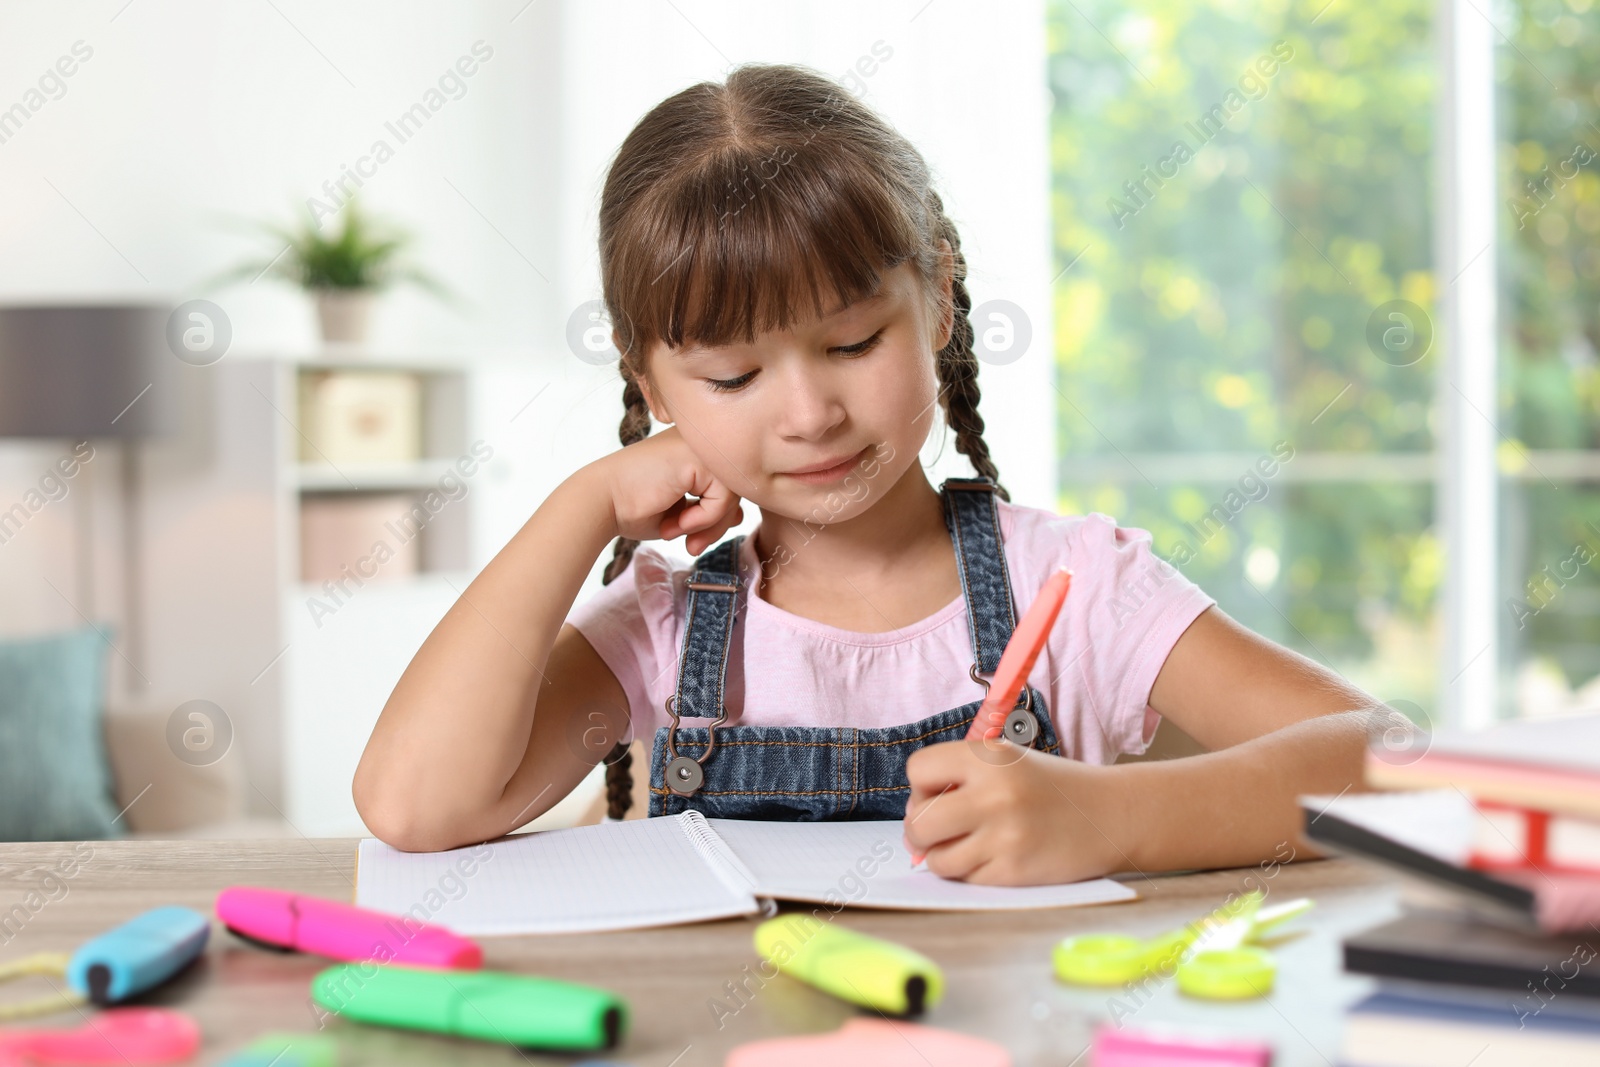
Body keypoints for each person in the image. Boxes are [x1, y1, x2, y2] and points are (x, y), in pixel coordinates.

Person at [354, 63, 1379, 885]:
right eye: (733, 373)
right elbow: (413, 805)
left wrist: (1109, 817)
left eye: (850, 343)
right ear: (652, 382)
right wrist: (582, 503)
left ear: (936, 297)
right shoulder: (668, 627)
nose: (808, 414)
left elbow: (1390, 764)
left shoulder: (1076, 587)